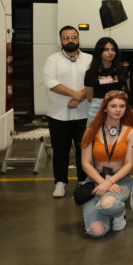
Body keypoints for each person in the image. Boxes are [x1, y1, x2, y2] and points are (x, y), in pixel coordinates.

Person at [79, 90, 133, 237]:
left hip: (119, 180)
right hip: (95, 180)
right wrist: (103, 183)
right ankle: (104, 209)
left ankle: (118, 212)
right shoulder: (91, 131)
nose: (118, 110)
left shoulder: (130, 133)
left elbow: (129, 164)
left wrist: (110, 182)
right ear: (105, 108)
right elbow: (86, 163)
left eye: (122, 106)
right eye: (113, 106)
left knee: (107, 205)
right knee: (96, 232)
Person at [43, 25, 93, 197]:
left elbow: (94, 82)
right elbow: (51, 83)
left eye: (73, 37)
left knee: (83, 150)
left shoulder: (89, 59)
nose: (70, 41)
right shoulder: (53, 60)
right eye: (66, 38)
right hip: (58, 115)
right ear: (61, 41)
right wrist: (74, 94)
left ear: (78, 39)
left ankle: (83, 181)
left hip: (84, 114)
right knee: (60, 150)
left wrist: (79, 98)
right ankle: (60, 182)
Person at [84, 36, 129, 126]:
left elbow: (127, 91)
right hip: (97, 108)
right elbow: (90, 97)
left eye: (113, 49)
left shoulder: (122, 70)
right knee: (93, 134)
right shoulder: (90, 73)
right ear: (99, 52)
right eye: (106, 50)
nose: (110, 52)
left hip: (117, 108)